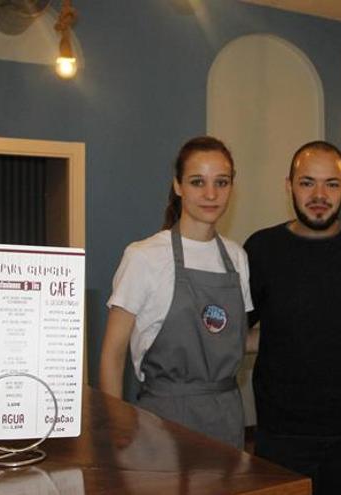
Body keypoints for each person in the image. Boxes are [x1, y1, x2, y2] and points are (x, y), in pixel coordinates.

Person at [99, 136, 252, 449]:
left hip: (227, 415)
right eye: (198, 182)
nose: (211, 194)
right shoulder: (144, 256)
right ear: (178, 186)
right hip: (164, 417)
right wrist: (113, 425)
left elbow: (234, 339)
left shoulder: (236, 257)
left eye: (221, 182)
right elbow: (112, 353)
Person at [244, 141, 341, 495]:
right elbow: (233, 333)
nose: (319, 194)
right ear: (288, 185)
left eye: (331, 184)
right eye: (307, 183)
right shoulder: (261, 249)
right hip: (282, 434)